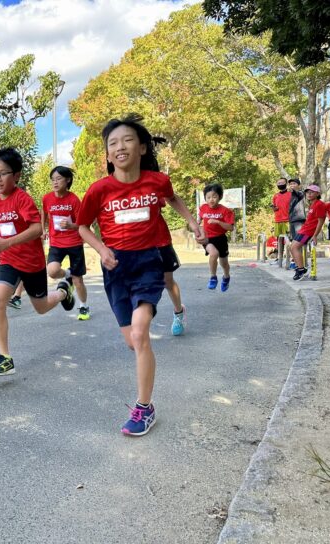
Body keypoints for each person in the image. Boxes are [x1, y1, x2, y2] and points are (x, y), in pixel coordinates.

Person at [76, 114, 205, 436]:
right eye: (113, 143)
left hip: (148, 260)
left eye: (128, 140)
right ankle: (144, 363)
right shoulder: (98, 190)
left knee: (139, 331)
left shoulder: (157, 181)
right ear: (107, 154)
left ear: (143, 147)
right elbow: (82, 226)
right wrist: (102, 250)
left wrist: (192, 221)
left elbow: (173, 198)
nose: (120, 147)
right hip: (116, 267)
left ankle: (144, 407)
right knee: (133, 340)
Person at [0, 147, 75, 377]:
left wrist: (7, 243)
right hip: (9, 260)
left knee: (42, 307)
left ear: (16, 176)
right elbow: (2, 231)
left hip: (32, 262)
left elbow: (36, 229)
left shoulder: (22, 199)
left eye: (3, 173)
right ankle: (5, 358)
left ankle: (64, 290)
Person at [41, 166, 90, 320]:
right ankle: (67, 275)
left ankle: (83, 306)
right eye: (53, 179)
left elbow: (83, 224)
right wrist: (43, 230)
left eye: (59, 179)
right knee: (52, 271)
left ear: (67, 180)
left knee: (78, 280)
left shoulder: (74, 199)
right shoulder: (47, 198)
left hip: (74, 242)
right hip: (56, 242)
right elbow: (44, 212)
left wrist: (70, 226)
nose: (55, 182)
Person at [153, 202, 187, 335]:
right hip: (136, 244)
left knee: (167, 281)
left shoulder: (151, 184)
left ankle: (179, 312)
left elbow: (163, 202)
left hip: (161, 240)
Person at [199, 183, 235, 292]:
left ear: (219, 197)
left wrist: (218, 222)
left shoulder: (226, 211)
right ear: (205, 197)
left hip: (221, 238)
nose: (211, 200)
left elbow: (230, 228)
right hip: (207, 238)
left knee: (224, 263)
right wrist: (197, 227)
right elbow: (200, 218)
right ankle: (213, 277)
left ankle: (226, 277)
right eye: (208, 197)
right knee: (213, 254)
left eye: (214, 196)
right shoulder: (203, 207)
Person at [289, 184, 327, 280]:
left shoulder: (320, 204)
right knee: (291, 247)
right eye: (307, 192)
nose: (309, 194)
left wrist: (315, 235)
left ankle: (301, 270)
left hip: (308, 232)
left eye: (312, 192)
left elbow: (321, 221)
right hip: (304, 229)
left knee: (295, 248)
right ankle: (300, 268)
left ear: (318, 193)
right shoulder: (312, 204)